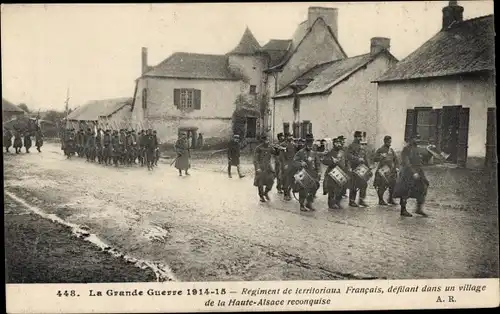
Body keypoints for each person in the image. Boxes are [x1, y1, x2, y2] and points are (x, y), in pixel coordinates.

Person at [393, 134, 430, 217]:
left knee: (423, 187)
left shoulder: (417, 149)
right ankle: (403, 210)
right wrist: (413, 172)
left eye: (418, 138)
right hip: (408, 172)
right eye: (415, 138)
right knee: (405, 190)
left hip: (418, 172)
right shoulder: (406, 149)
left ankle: (419, 209)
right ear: (410, 139)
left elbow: (421, 161)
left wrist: (429, 153)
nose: (417, 140)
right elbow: (406, 162)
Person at [293, 133, 321, 211]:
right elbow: (294, 161)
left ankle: (309, 203)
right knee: (303, 189)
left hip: (313, 174)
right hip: (304, 173)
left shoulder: (314, 152)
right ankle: (302, 205)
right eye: (308, 142)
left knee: (314, 187)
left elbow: (317, 163)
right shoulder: (300, 152)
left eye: (311, 142)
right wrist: (300, 163)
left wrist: (319, 171)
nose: (310, 144)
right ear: (305, 143)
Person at [322, 137, 349, 209]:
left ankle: (337, 202)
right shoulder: (331, 152)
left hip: (341, 172)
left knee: (340, 189)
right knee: (332, 189)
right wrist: (332, 161)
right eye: (337, 143)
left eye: (339, 143)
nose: (338, 144)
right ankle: (331, 204)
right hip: (332, 172)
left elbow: (346, 161)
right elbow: (324, 160)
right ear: (334, 144)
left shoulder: (342, 152)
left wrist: (347, 168)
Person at [346, 131, 371, 207]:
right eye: (359, 137)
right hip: (354, 167)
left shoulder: (362, 146)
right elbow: (348, 156)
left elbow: (365, 157)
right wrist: (357, 159)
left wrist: (368, 166)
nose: (360, 138)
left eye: (361, 137)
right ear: (355, 137)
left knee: (364, 184)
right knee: (354, 185)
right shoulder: (351, 146)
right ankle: (351, 201)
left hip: (362, 168)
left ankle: (361, 200)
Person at [373, 135, 399, 205]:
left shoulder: (391, 150)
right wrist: (381, 156)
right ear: (385, 142)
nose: (390, 143)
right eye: (388, 142)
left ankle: (390, 199)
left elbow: (396, 159)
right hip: (382, 170)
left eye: (390, 142)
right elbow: (374, 158)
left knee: (393, 184)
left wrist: (397, 167)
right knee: (382, 185)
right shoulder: (380, 149)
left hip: (391, 171)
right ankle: (380, 200)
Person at [253, 134, 276, 202]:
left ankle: (265, 193)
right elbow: (255, 159)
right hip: (261, 167)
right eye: (266, 140)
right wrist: (257, 168)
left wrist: (278, 149)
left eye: (268, 140)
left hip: (268, 167)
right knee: (260, 183)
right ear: (263, 140)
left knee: (271, 180)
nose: (268, 141)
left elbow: (275, 153)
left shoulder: (270, 147)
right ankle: (261, 196)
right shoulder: (258, 148)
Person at [280, 133, 297, 201]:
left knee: (292, 179)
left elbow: (295, 154)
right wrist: (284, 164)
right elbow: (281, 156)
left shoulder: (293, 144)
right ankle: (285, 194)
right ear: (286, 137)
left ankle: (289, 192)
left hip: (292, 164)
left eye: (291, 136)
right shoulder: (283, 145)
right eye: (289, 136)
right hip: (286, 164)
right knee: (286, 180)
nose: (290, 137)